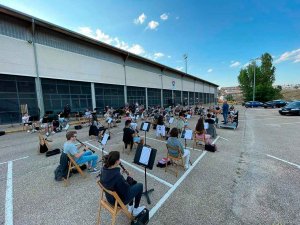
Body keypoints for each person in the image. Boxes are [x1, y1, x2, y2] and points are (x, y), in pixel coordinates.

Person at [100, 151, 145, 216]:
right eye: (119, 159)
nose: (120, 160)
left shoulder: (104, 169)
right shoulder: (117, 176)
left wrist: (121, 175)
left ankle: (130, 206)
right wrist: (129, 177)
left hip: (109, 198)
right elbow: (126, 189)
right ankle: (136, 209)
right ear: (116, 162)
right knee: (139, 185)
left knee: (132, 184)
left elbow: (113, 180)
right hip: (118, 201)